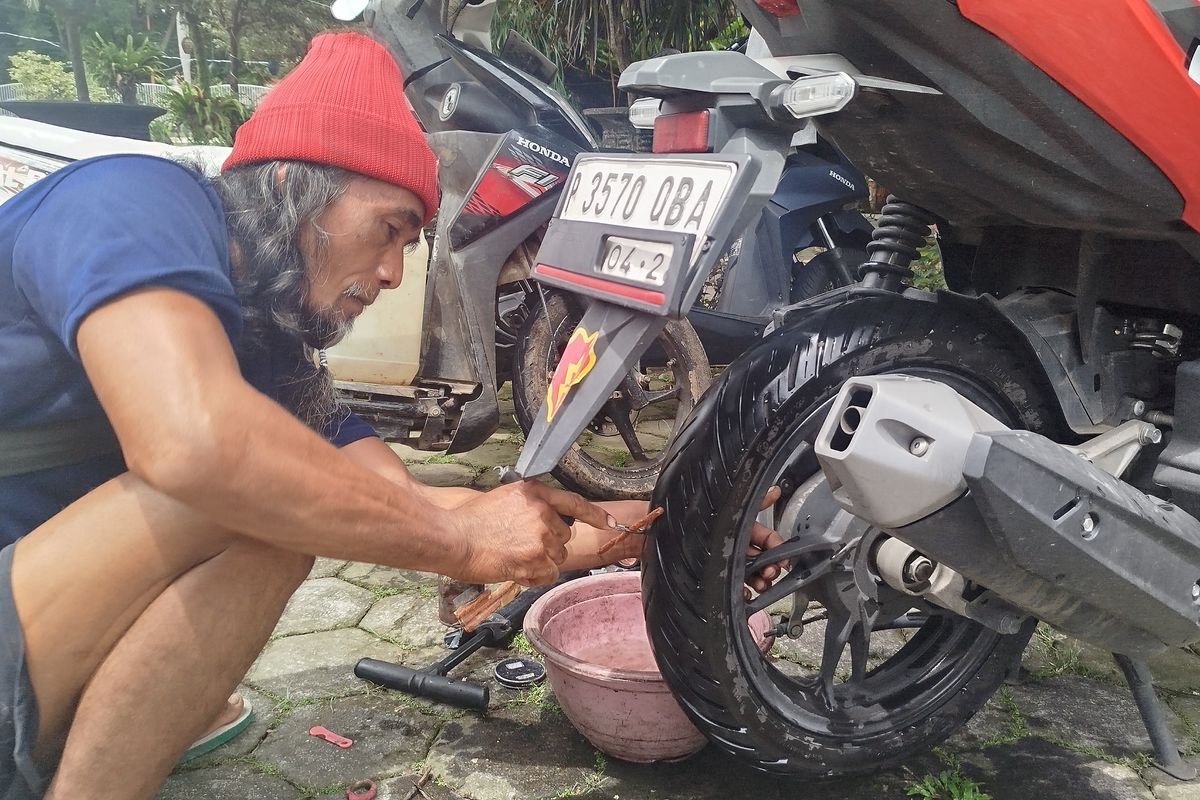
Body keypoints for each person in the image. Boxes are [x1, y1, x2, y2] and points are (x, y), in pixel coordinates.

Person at [0, 31, 783, 800]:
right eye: (389, 230)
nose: (392, 274)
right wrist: (460, 543)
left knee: (290, 503)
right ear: (292, 185)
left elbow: (406, 504)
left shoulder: (269, 350)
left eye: (411, 244)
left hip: (38, 641)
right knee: (256, 502)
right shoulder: (130, 200)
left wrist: (675, 529)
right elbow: (194, 444)